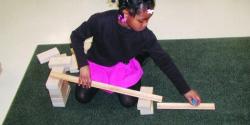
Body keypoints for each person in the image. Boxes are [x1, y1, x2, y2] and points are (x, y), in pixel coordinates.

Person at [70, 0, 201, 108]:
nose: (145, 25)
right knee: (81, 97)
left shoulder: (145, 35)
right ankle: (143, 53)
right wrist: (83, 65)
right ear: (126, 14)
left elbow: (164, 60)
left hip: (123, 64)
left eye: (148, 20)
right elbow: (76, 36)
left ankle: (141, 56)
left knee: (129, 102)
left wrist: (186, 90)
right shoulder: (99, 20)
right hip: (98, 63)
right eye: (141, 21)